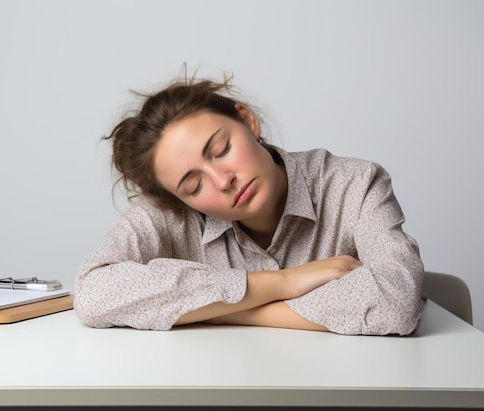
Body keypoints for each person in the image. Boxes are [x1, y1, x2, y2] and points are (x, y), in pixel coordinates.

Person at [73, 72, 426, 335]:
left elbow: (397, 302)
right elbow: (93, 294)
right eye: (194, 185)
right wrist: (283, 283)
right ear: (177, 199)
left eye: (222, 150)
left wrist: (226, 311)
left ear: (247, 120)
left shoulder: (355, 183)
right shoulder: (171, 214)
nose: (223, 180)